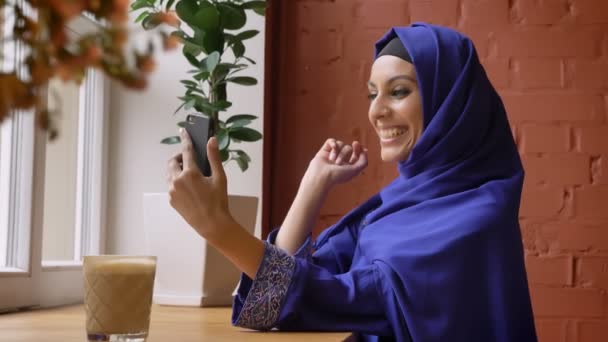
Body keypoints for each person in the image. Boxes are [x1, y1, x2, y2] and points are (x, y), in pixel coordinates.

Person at [166, 22, 538, 342]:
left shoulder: (475, 218)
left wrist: (218, 228)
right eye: (372, 94)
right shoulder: (397, 205)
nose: (376, 111)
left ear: (450, 104)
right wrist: (313, 185)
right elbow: (271, 302)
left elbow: (328, 297)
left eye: (398, 91)